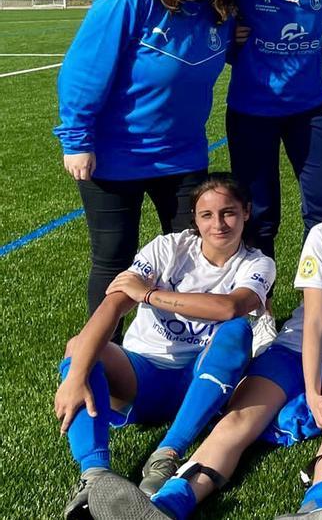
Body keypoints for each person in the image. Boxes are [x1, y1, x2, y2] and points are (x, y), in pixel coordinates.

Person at [87, 151, 322, 520]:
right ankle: (169, 504)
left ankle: (321, 505)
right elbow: (314, 320)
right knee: (238, 420)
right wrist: (312, 390)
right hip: (295, 349)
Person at [115, 0, 322, 265]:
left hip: (310, 112)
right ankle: (260, 307)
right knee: (260, 215)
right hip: (251, 114)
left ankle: (318, 303)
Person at [56, 174, 273, 518]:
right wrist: (76, 376)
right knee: (78, 348)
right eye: (207, 215)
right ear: (195, 219)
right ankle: (94, 476)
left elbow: (229, 307)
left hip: (202, 385)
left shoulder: (257, 263)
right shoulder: (167, 248)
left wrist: (150, 294)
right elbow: (113, 304)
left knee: (236, 331)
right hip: (141, 375)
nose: (218, 224)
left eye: (228, 212)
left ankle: (167, 455)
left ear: (246, 212)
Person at [55, 0, 236, 316]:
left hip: (184, 156)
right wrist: (77, 140)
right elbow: (83, 71)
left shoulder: (223, 7)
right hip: (114, 156)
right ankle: (100, 359)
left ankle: (186, 346)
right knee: (113, 260)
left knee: (196, 253)